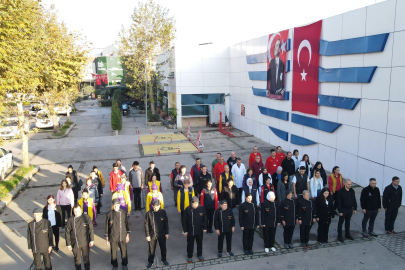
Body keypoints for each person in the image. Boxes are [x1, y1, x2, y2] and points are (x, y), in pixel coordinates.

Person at [65, 204, 94, 270]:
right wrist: (68, 244)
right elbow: (67, 232)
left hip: (85, 242)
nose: (76, 213)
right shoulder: (70, 220)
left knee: (86, 258)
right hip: (75, 243)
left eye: (78, 211)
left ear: (81, 210)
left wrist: (92, 240)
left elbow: (91, 229)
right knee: (77, 259)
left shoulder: (86, 217)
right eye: (75, 212)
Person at [105, 199, 130, 270]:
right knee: (113, 252)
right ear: (112, 206)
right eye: (114, 206)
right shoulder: (109, 214)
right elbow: (107, 227)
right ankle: (114, 265)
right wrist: (107, 238)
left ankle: (124, 264)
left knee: (124, 251)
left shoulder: (123, 213)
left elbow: (127, 224)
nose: (116, 207)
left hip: (122, 235)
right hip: (113, 236)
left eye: (117, 205)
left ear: (119, 205)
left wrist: (127, 235)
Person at [145, 199, 169, 268]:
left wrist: (167, 233)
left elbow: (166, 223)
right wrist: (147, 235)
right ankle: (150, 261)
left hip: (162, 234)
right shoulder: (149, 213)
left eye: (157, 206)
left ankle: (164, 259)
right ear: (152, 206)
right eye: (154, 206)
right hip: (152, 234)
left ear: (159, 206)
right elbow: (146, 225)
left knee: (163, 247)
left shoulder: (163, 212)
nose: (155, 208)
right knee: (151, 249)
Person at [182, 196, 207, 263]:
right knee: (190, 244)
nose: (195, 205)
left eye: (197, 203)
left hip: (199, 230)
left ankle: (199, 254)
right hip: (190, 231)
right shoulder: (187, 209)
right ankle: (189, 256)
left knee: (199, 243)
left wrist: (205, 228)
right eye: (194, 204)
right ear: (191, 203)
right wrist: (185, 230)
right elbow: (184, 220)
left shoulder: (201, 208)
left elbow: (205, 219)